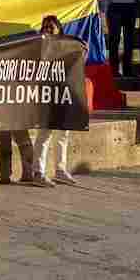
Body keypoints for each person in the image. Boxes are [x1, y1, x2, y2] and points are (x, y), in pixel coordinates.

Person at [32, 15, 80, 186]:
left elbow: (77, 67)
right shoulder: (37, 47)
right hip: (46, 96)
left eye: (51, 27)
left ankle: (60, 170)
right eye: (44, 27)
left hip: (62, 95)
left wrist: (84, 51)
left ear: (59, 29)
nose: (47, 29)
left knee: (62, 135)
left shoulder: (67, 47)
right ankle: (38, 172)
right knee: (44, 134)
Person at [97, 0, 140, 77]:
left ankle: (127, 69)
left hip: (129, 7)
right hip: (115, 7)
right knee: (114, 40)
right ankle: (114, 70)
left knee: (128, 40)